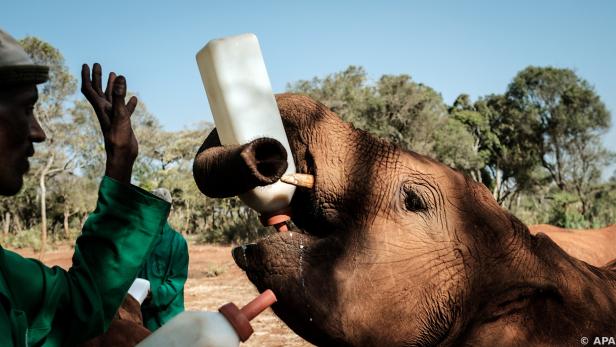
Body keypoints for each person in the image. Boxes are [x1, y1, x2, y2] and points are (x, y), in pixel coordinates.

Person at [0, 28, 170, 346]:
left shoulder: (6, 273)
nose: (39, 133)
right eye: (25, 110)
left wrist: (120, 161)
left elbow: (80, 304)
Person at [138, 188, 189, 331]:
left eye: (162, 208)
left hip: (168, 318)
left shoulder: (177, 242)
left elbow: (176, 281)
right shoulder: (139, 239)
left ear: (168, 212)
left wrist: (152, 296)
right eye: (155, 207)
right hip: (139, 315)